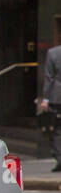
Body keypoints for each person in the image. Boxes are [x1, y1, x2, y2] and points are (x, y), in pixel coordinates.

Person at [40, 43, 61, 172]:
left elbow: (49, 77)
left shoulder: (53, 53)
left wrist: (45, 99)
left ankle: (60, 159)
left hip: (57, 98)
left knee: (57, 130)